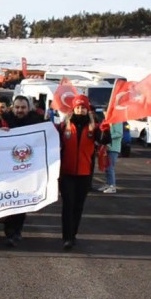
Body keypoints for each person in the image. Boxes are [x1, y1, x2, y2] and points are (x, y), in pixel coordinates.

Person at [58, 95, 109, 249]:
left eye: (83, 107)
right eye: (78, 107)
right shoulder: (63, 126)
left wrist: (105, 130)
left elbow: (104, 141)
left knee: (78, 206)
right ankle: (66, 237)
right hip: (66, 173)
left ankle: (73, 234)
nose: (80, 110)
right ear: (73, 108)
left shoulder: (93, 126)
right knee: (68, 204)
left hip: (85, 173)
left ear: (88, 109)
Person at [0, 95, 45, 247]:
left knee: (22, 201)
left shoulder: (37, 121)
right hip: (6, 170)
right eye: (17, 107)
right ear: (12, 108)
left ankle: (17, 230)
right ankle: (10, 232)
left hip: (27, 168)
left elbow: (50, 135)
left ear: (28, 108)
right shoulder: (2, 119)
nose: (20, 110)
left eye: (23, 107)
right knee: (9, 200)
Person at [99, 121, 124, 194]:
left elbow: (119, 133)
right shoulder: (107, 121)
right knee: (107, 168)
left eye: (106, 111)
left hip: (114, 148)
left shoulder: (117, 121)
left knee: (110, 167)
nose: (105, 113)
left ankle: (112, 186)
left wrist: (108, 136)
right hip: (108, 147)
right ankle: (108, 184)